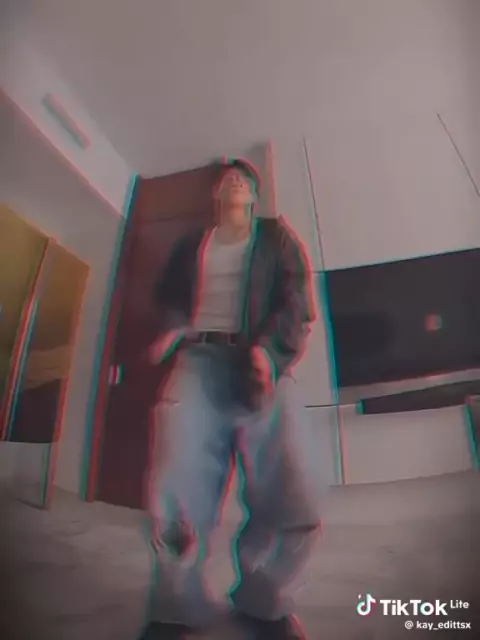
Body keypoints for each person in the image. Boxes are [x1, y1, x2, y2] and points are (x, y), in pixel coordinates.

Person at [139, 158, 326, 640]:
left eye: (245, 178)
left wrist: (269, 352)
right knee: (176, 486)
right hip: (198, 363)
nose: (237, 180)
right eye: (228, 178)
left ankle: (265, 602)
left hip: (259, 361)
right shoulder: (192, 244)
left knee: (293, 490)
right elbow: (168, 296)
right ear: (217, 195)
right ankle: (177, 607)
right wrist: (174, 326)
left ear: (255, 198)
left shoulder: (275, 238)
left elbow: (297, 301)